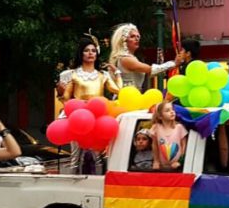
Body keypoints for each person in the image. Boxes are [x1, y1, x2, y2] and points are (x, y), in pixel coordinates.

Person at [58, 35, 122, 174]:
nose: (90, 53)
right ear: (81, 53)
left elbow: (119, 90)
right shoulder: (73, 74)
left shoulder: (102, 75)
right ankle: (73, 183)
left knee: (97, 155)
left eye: (93, 50)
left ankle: (99, 183)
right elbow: (66, 98)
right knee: (76, 156)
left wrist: (117, 73)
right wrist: (62, 93)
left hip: (97, 116)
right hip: (78, 116)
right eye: (87, 50)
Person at [108, 23, 184, 89]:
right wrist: (173, 63)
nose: (137, 39)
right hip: (126, 98)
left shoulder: (130, 57)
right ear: (123, 40)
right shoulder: (125, 59)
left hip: (133, 96)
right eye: (132, 36)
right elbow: (150, 70)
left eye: (138, 36)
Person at [151, 101, 187, 172]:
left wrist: (180, 162)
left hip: (178, 169)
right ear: (160, 116)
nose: (172, 112)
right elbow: (155, 145)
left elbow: (184, 146)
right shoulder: (156, 128)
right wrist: (156, 161)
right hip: (162, 168)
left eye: (172, 109)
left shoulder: (179, 128)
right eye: (167, 110)